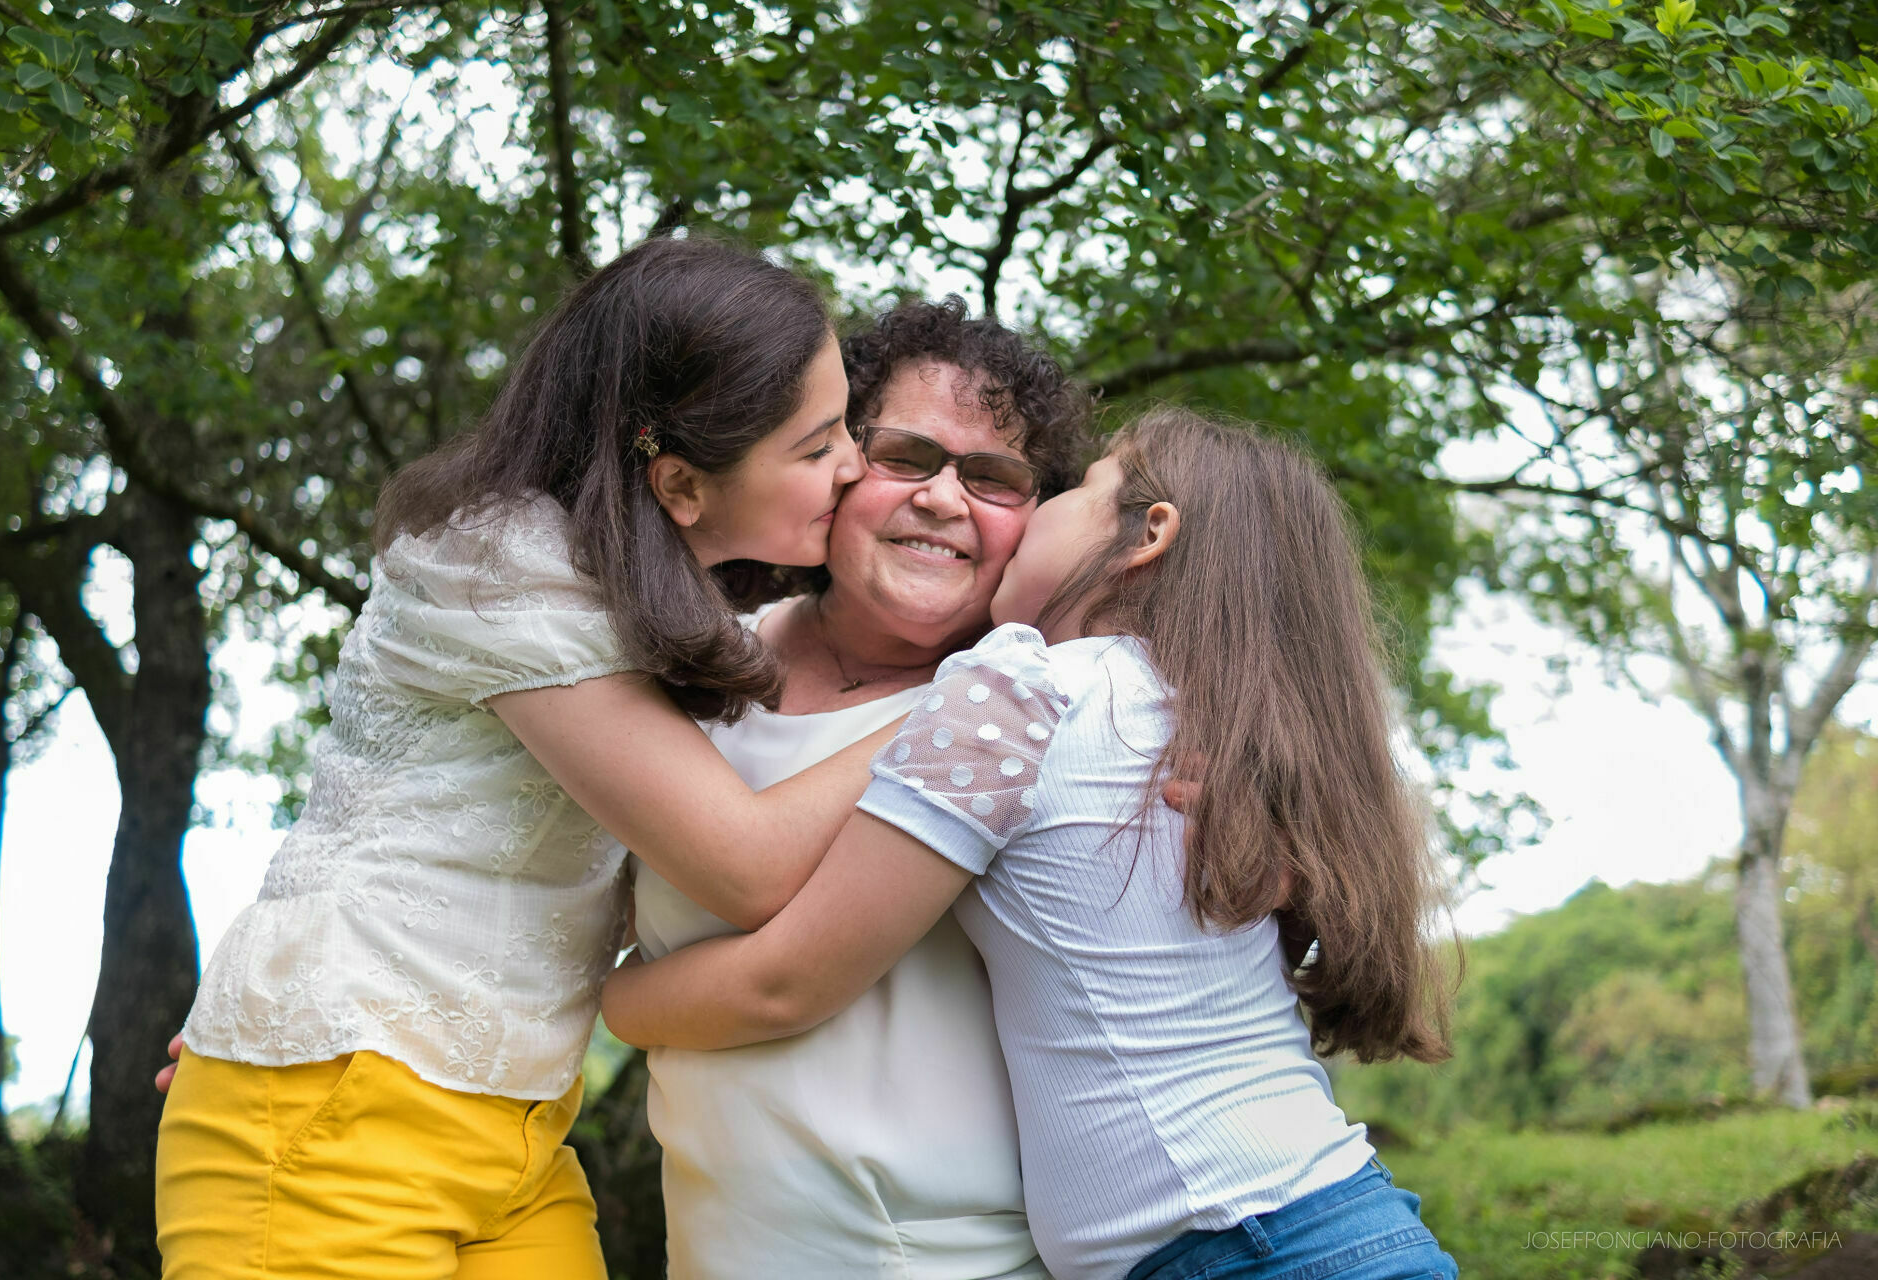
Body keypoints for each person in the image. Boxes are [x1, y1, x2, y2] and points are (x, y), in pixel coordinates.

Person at [155, 235, 899, 1280]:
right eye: (819, 446)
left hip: (506, 1124)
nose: (855, 466)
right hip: (342, 1110)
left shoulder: (640, 591)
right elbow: (747, 861)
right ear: (681, 482)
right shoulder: (503, 566)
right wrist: (988, 694)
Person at [601, 407, 1462, 1280]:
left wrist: (609, 997)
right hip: (1328, 1218)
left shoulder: (1018, 691)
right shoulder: (1202, 717)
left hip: (1244, 1247)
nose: (1038, 514)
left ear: (1149, 533)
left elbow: (787, 981)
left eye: (1078, 488)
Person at [635, 297, 1088, 1278]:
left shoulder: (1051, 714)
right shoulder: (689, 670)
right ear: (835, 463)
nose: (944, 498)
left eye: (996, 477)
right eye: (908, 455)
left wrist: (613, 1000)